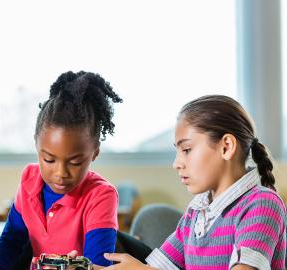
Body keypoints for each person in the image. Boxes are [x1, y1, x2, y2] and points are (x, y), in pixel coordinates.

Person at [102, 95, 286, 270]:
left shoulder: (261, 203)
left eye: (187, 150)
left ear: (226, 147)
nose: (176, 164)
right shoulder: (196, 213)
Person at [0, 71, 123, 270]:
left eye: (75, 162)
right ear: (36, 146)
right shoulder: (29, 179)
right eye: (49, 159)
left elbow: (98, 265)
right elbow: (11, 242)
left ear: (94, 153)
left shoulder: (101, 196)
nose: (60, 173)